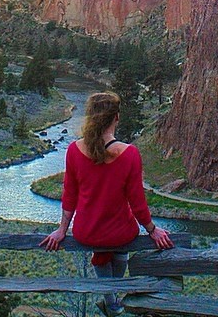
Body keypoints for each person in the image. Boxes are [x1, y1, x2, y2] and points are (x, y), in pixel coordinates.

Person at [40, 91, 173, 316]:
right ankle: (112, 300)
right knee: (121, 243)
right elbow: (137, 203)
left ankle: (109, 300)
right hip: (121, 232)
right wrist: (153, 230)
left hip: (86, 232)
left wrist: (62, 230)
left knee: (102, 245)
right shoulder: (129, 153)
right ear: (116, 118)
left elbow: (69, 194)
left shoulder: (74, 150)